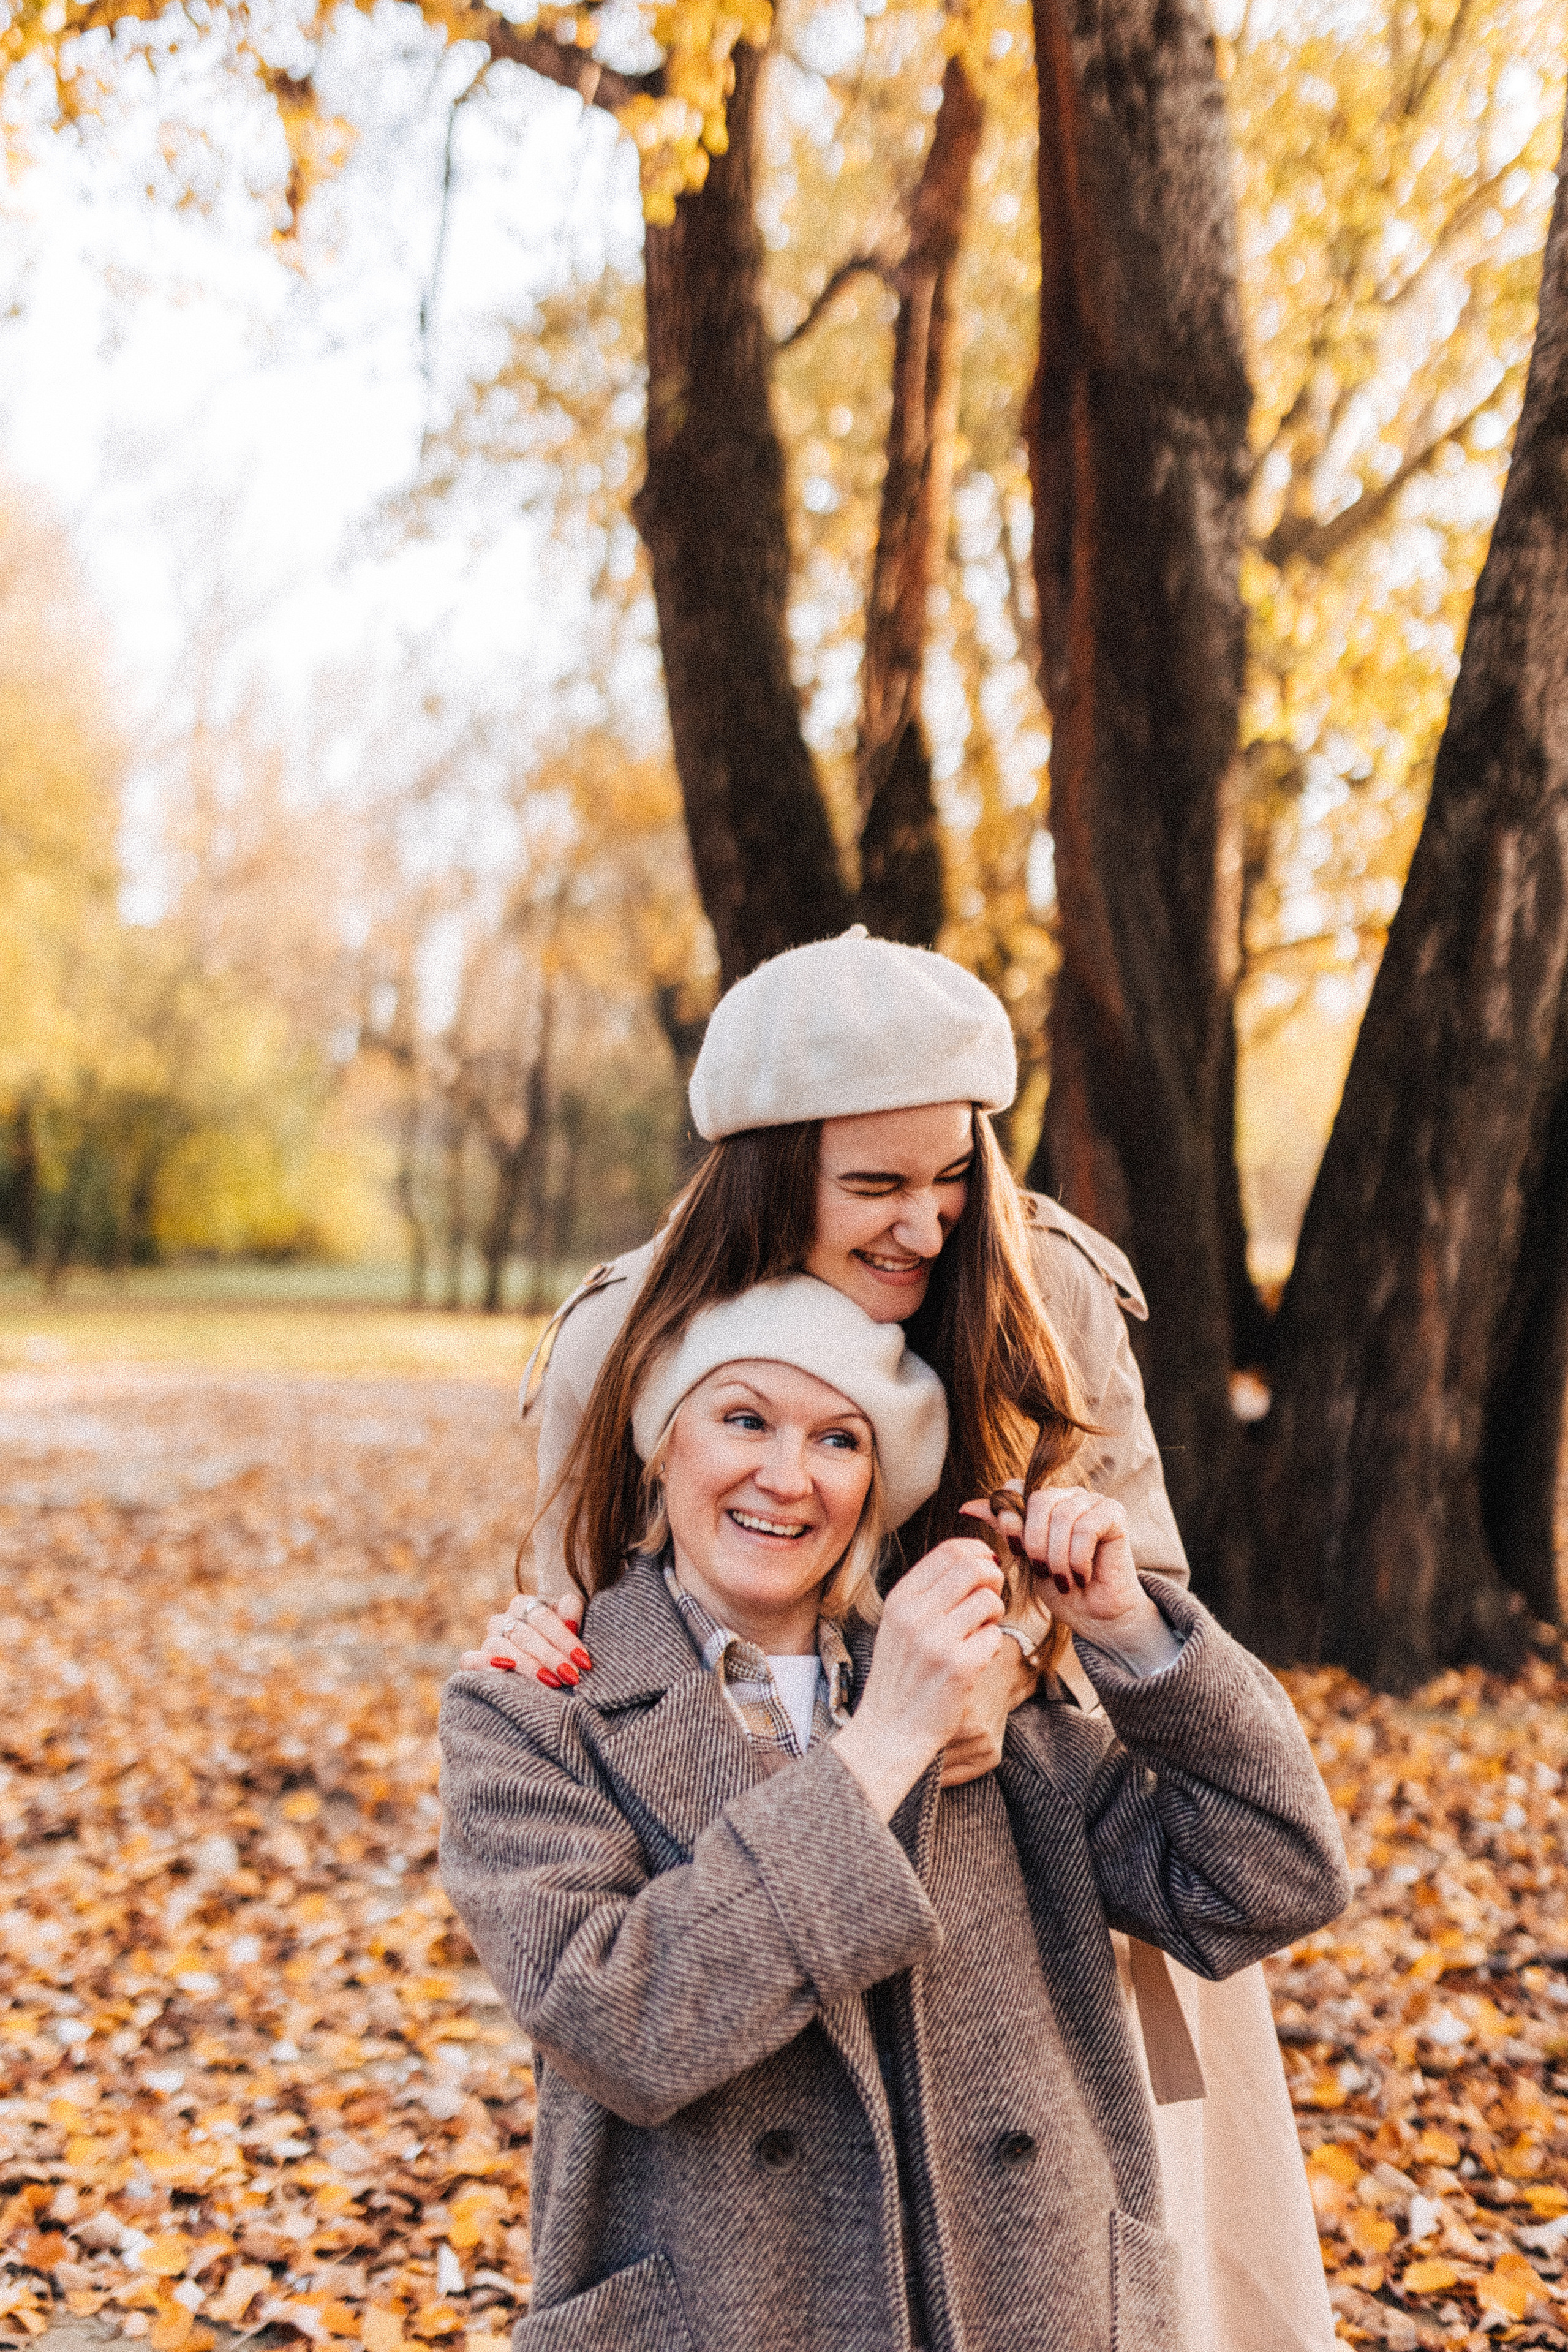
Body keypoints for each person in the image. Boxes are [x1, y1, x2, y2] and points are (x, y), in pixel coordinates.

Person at [467, 930, 1336, 2351]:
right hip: (738, 1897)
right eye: (872, 1186)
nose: (924, 1227)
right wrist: (548, 1659)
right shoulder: (621, 1332)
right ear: (766, 1171)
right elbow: (597, 1628)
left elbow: (1147, 1603)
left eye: (950, 1176)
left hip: (1029, 1884)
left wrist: (995, 1673)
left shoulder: (1036, 1281)